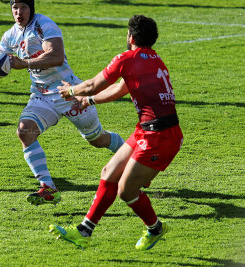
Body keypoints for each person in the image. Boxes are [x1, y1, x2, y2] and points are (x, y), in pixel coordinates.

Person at [0, 0, 125, 205]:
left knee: (98, 140)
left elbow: (57, 56)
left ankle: (131, 155)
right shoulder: (11, 35)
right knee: (24, 130)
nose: (19, 12)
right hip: (42, 95)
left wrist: (24, 63)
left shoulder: (43, 25)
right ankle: (48, 188)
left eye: (23, 6)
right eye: (15, 7)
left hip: (69, 92)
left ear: (31, 8)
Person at [49, 15, 184, 250]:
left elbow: (94, 83)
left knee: (126, 190)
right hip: (148, 130)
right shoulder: (155, 60)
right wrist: (88, 100)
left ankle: (156, 228)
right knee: (109, 171)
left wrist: (71, 90)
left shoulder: (127, 58)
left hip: (159, 136)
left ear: (130, 37)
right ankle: (84, 231)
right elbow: (120, 89)